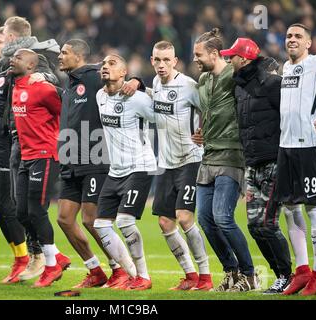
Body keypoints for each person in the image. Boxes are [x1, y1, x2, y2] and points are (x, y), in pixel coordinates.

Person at [220, 38, 294, 294]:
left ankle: (287, 275)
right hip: (252, 164)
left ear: (244, 59)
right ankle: (281, 275)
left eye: (232, 56)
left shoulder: (273, 84)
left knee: (268, 223)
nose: (229, 60)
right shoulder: (239, 87)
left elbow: (291, 116)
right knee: (254, 225)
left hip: (274, 161)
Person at [0, 16, 69, 283]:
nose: (11, 59)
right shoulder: (15, 87)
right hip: (25, 155)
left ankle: (51, 264)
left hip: (44, 155)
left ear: (31, 65)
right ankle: (56, 257)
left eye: (17, 57)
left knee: (37, 211)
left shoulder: (42, 88)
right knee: (21, 212)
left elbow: (66, 111)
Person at [57, 39, 130, 288]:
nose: (60, 56)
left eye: (64, 53)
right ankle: (95, 271)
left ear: (78, 56)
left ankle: (120, 269)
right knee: (65, 219)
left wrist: (136, 82)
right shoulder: (68, 84)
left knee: (91, 220)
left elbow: (118, 69)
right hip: (70, 160)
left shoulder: (92, 75)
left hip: (95, 159)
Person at [191, 28, 260, 292]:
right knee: (205, 219)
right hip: (208, 155)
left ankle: (250, 274)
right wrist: (202, 130)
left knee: (222, 216)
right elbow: (208, 111)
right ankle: (231, 271)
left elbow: (262, 71)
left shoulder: (235, 75)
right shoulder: (203, 80)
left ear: (214, 53)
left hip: (232, 153)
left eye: (199, 55)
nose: (195, 59)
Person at [149, 41, 213, 291]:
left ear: (175, 61)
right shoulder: (155, 83)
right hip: (166, 163)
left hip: (190, 159)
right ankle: (190, 275)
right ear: (151, 60)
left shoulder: (188, 86)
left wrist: (205, 132)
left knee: (184, 217)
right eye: (157, 60)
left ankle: (205, 277)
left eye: (166, 60)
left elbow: (209, 109)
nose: (161, 65)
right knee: (165, 222)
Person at [274, 23, 316, 296]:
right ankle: (303, 270)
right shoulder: (286, 68)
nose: (292, 40)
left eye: (298, 36)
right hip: (286, 146)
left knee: (313, 209)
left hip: (310, 146)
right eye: (288, 36)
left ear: (309, 43)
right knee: (288, 207)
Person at [94, 54, 156, 291]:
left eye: (112, 64)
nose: (105, 67)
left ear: (124, 73)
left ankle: (144, 276)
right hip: (116, 170)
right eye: (103, 64)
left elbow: (162, 114)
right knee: (101, 225)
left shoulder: (137, 98)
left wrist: (141, 85)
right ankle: (130, 275)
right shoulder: (100, 96)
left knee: (124, 221)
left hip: (139, 166)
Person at [0, 26, 31, 283]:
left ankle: (25, 258)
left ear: (12, 42)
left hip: (5, 144)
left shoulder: (14, 71)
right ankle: (18, 257)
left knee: (7, 206)